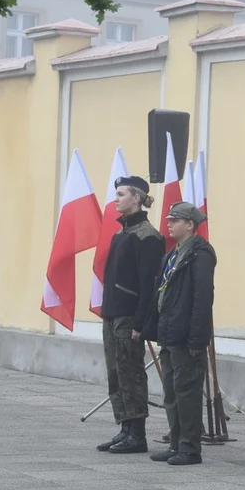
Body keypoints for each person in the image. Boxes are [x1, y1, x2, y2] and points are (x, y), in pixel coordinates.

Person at [97, 175, 165, 454]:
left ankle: (138, 434)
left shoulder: (147, 237)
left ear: (136, 198)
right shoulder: (120, 234)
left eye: (121, 193)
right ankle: (124, 426)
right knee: (115, 373)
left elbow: (150, 285)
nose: (116, 198)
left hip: (129, 317)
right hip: (113, 313)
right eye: (116, 193)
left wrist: (141, 323)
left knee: (131, 373)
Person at [146, 202, 216, 466]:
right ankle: (176, 443)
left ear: (189, 224)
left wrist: (197, 338)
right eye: (168, 219)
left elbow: (202, 299)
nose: (168, 223)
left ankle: (190, 448)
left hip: (186, 337)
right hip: (170, 333)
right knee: (172, 393)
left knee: (187, 393)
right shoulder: (173, 254)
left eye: (174, 219)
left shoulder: (200, 255)